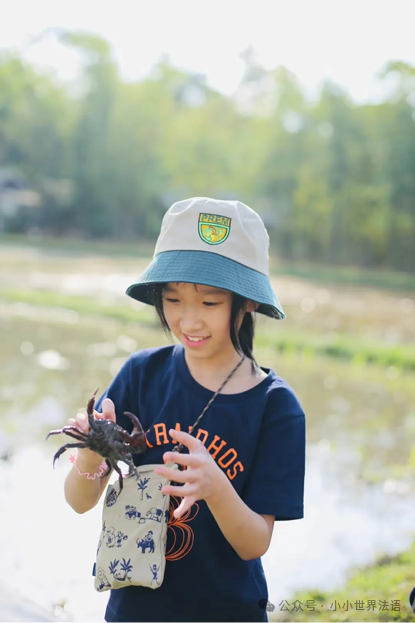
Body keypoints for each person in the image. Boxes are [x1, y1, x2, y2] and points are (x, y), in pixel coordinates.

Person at [64, 197, 306, 623]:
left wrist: (216, 487)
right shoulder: (140, 375)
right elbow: (79, 501)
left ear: (246, 302)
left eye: (210, 303)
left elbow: (254, 544)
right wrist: (89, 454)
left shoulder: (276, 407)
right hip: (133, 609)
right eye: (172, 300)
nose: (188, 321)